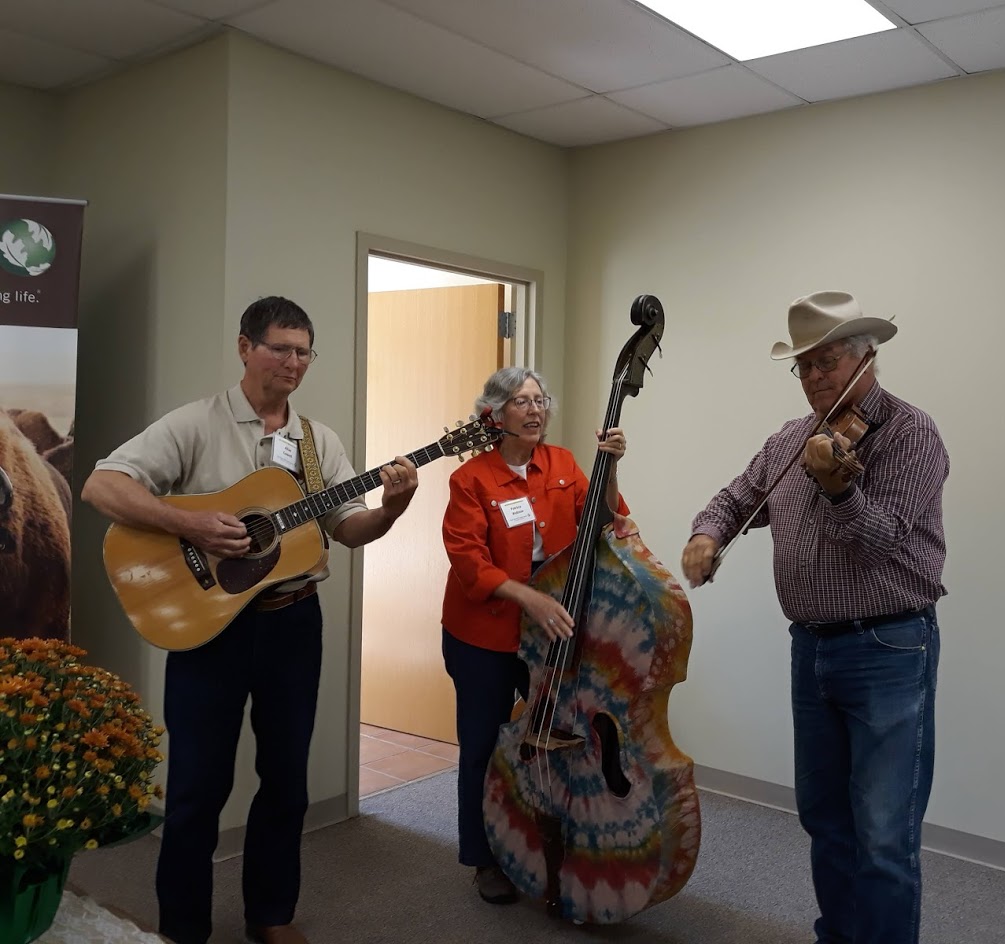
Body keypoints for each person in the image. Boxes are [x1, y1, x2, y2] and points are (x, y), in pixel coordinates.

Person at [82, 296, 419, 944]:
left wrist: (392, 510)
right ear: (245, 347)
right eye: (280, 348)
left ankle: (271, 915)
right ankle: (183, 929)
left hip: (294, 623)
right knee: (196, 788)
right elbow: (102, 485)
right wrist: (189, 524)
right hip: (209, 630)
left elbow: (348, 528)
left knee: (287, 779)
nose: (293, 363)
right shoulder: (196, 423)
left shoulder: (319, 442)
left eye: (303, 352)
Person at [681, 291, 948, 944]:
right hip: (811, 647)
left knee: (883, 833)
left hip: (888, 647)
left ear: (866, 358)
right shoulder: (790, 439)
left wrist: (836, 487)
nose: (813, 377)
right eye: (803, 366)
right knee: (825, 819)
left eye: (826, 362)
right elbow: (736, 496)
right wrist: (707, 535)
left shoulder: (910, 434)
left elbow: (881, 540)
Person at [440, 366, 629, 904]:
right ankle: (484, 859)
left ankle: (554, 841)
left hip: (550, 633)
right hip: (484, 635)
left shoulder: (563, 463)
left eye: (540, 400)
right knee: (484, 744)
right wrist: (530, 598)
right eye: (521, 401)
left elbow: (607, 520)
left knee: (561, 736)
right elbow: (469, 561)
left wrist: (610, 466)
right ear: (494, 414)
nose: (535, 410)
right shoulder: (470, 478)